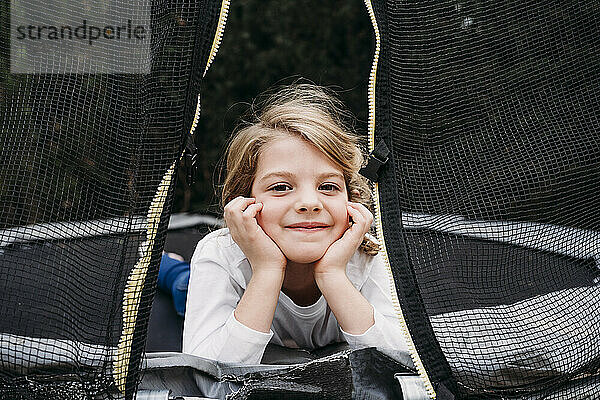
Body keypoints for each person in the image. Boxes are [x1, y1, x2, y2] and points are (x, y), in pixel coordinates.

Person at [182, 84, 408, 364]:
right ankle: (169, 267)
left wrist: (332, 274)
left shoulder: (369, 255)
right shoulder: (221, 254)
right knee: (180, 286)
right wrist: (266, 269)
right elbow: (206, 375)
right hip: (205, 280)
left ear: (353, 200)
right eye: (280, 187)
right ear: (243, 202)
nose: (309, 203)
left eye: (327, 186)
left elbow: (404, 362)